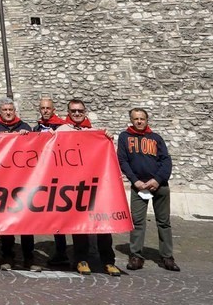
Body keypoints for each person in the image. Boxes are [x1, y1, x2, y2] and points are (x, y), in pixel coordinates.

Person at [60, 99, 120, 276]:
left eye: (80, 111)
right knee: (80, 225)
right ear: (68, 112)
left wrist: (108, 138)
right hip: (75, 185)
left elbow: (108, 154)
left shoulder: (95, 133)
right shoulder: (61, 131)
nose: (77, 114)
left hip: (96, 185)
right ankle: (81, 260)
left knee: (103, 224)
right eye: (73, 111)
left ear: (85, 112)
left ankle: (108, 261)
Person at [117, 108, 178, 272]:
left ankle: (167, 256)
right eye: (135, 118)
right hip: (139, 187)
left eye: (142, 118)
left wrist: (157, 180)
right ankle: (136, 256)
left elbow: (166, 161)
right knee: (137, 222)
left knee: (164, 222)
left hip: (159, 186)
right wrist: (135, 181)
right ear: (131, 120)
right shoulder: (125, 137)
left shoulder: (156, 138)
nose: (139, 121)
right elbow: (123, 161)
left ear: (147, 119)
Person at [0, 98, 38, 271]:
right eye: (4, 110)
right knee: (6, 221)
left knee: (26, 222)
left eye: (10, 109)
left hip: (23, 182)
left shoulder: (25, 127)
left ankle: (29, 258)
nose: (8, 112)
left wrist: (27, 137)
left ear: (14, 110)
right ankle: (7, 256)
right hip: (2, 182)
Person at [34, 96, 70, 268]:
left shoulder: (62, 126)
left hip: (62, 175)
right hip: (45, 177)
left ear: (53, 109)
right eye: (43, 108)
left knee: (66, 216)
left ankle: (78, 254)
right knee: (55, 218)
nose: (46, 111)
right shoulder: (37, 127)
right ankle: (61, 253)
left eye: (48, 108)